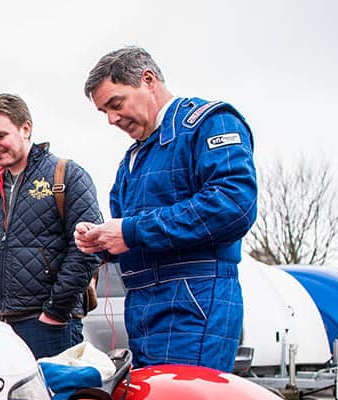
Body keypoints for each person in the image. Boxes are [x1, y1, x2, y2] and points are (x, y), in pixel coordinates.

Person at [76, 47, 258, 372]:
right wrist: (103, 242)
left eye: (116, 104)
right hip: (142, 308)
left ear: (148, 80)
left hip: (195, 301)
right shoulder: (131, 161)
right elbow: (132, 233)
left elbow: (233, 205)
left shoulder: (209, 123)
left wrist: (131, 231)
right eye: (104, 111)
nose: (112, 119)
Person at [0, 93, 102, 359]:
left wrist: (53, 313)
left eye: (0, 136)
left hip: (48, 327)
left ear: (25, 129)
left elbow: (87, 249)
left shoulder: (66, 175)